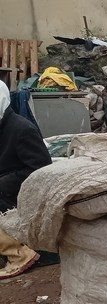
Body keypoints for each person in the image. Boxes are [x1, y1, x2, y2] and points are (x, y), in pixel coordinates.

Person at [0, 80, 52, 279]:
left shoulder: (21, 129)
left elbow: (41, 170)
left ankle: (18, 254)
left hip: (18, 194)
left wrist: (3, 183)